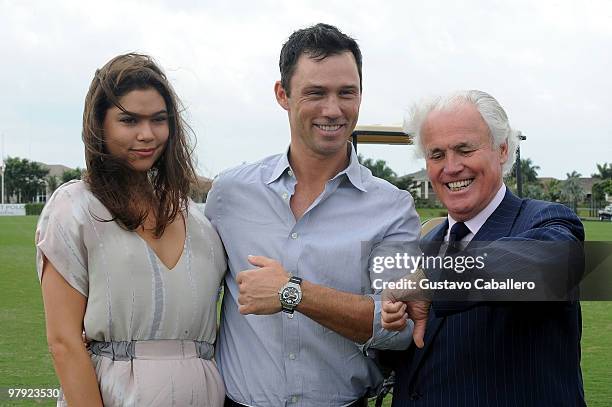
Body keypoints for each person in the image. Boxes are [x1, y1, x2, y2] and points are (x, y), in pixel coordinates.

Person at [204, 23, 421, 407]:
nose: (333, 110)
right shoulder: (230, 194)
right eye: (316, 93)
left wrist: (293, 293)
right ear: (282, 95)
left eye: (346, 93)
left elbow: (396, 329)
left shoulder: (392, 208)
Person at [36, 53, 226, 406]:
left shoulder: (198, 221)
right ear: (100, 125)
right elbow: (64, 341)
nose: (146, 134)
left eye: (158, 120)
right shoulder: (76, 209)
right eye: (128, 120)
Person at [381, 90, 585, 406]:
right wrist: (393, 326)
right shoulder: (426, 247)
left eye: (464, 149)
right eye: (436, 155)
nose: (450, 168)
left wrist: (428, 281)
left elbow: (554, 266)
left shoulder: (544, 220)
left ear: (502, 150)